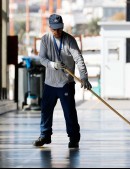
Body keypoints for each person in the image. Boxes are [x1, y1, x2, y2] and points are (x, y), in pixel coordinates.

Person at [33, 14, 92, 148]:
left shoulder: (69, 40)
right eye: (54, 29)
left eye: (59, 28)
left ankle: (74, 138)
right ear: (50, 27)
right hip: (50, 84)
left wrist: (84, 76)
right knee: (45, 111)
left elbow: (78, 59)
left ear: (62, 26)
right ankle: (44, 136)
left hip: (66, 83)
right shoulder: (45, 40)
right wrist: (53, 65)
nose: (57, 32)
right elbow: (42, 58)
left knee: (69, 112)